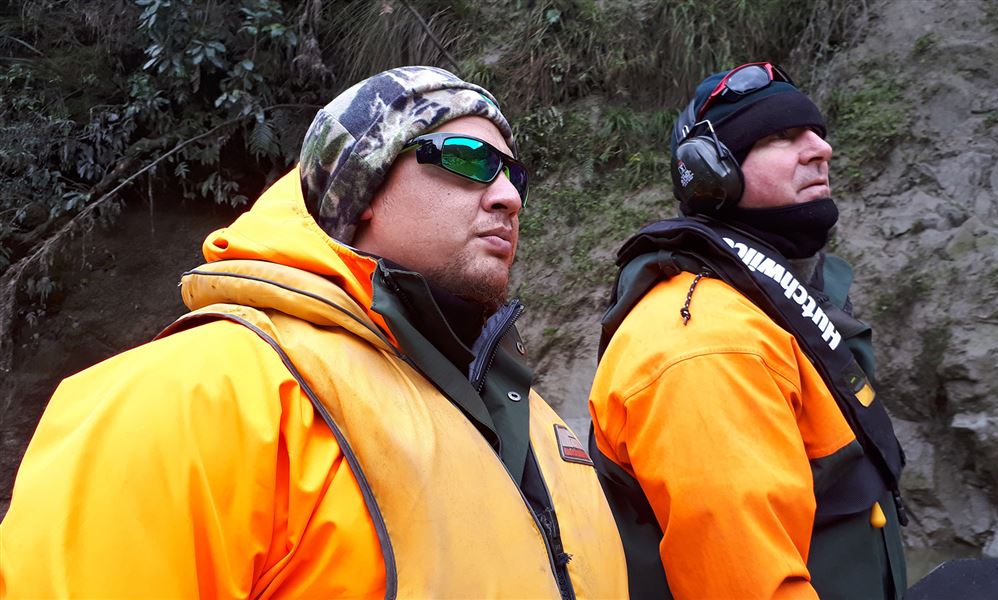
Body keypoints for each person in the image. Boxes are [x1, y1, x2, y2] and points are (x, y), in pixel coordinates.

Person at [0, 66, 627, 598]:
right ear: (364, 190)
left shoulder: (538, 421)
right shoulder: (199, 393)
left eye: (514, 177)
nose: (507, 198)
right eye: (469, 160)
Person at [588, 62, 908, 599]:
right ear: (711, 172)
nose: (819, 149)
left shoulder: (780, 301)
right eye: (782, 136)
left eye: (817, 134)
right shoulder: (707, 346)